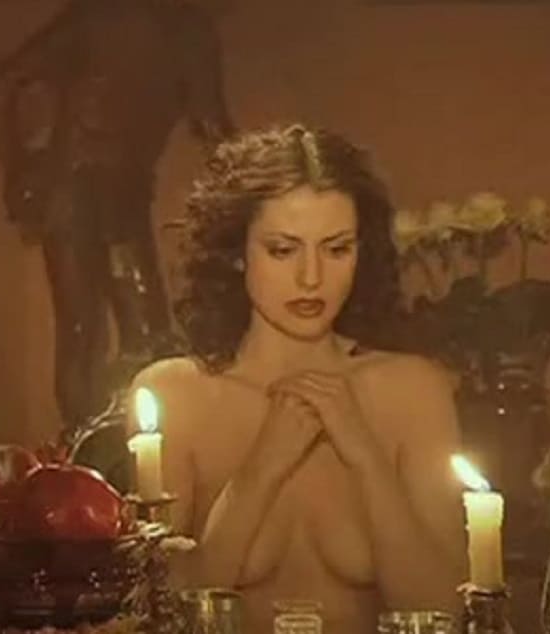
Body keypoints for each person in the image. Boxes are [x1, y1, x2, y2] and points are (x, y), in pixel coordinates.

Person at [129, 124, 466, 633]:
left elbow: (448, 613)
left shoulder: (413, 390)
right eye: (283, 250)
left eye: (336, 249)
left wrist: (365, 455)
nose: (311, 278)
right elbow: (159, 617)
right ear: (237, 251)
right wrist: (262, 467)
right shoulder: (174, 396)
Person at [0, 0, 234, 427]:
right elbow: (1, 82)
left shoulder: (185, 31)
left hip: (113, 190)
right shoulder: (122, 18)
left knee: (130, 333)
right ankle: (88, 446)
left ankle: (117, 445)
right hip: (76, 185)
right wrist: (19, 168)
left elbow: (213, 127)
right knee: (98, 330)